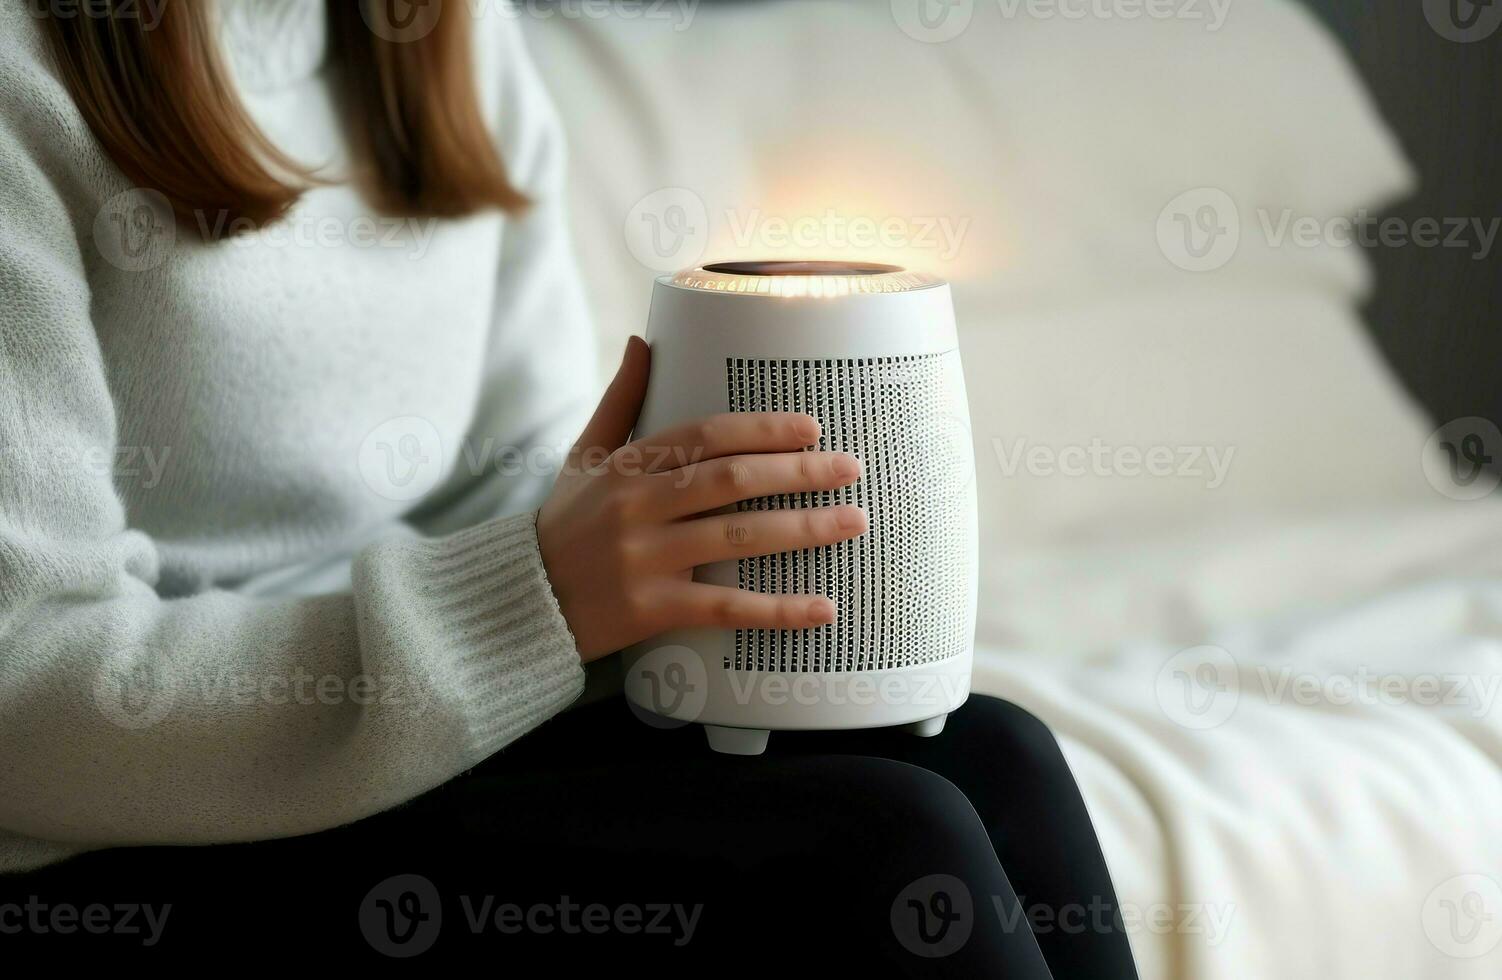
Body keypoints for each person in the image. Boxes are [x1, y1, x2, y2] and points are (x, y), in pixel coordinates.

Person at [0, 1, 1138, 974]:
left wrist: (633, 575)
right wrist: (531, 595)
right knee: (885, 836)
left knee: (992, 755)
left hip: (396, 743)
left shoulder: (438, 29)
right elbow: (22, 685)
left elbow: (518, 478)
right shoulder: (23, 69)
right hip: (109, 832)